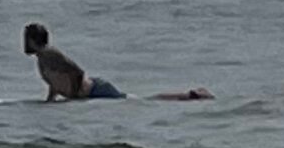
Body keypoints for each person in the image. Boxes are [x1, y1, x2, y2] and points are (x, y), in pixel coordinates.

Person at [22, 22, 209, 101]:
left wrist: (76, 93)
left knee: (143, 102)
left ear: (32, 40)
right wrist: (50, 101)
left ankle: (190, 96)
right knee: (142, 101)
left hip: (96, 90)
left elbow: (77, 71)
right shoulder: (42, 59)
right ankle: (189, 96)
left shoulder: (49, 54)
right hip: (91, 94)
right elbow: (56, 83)